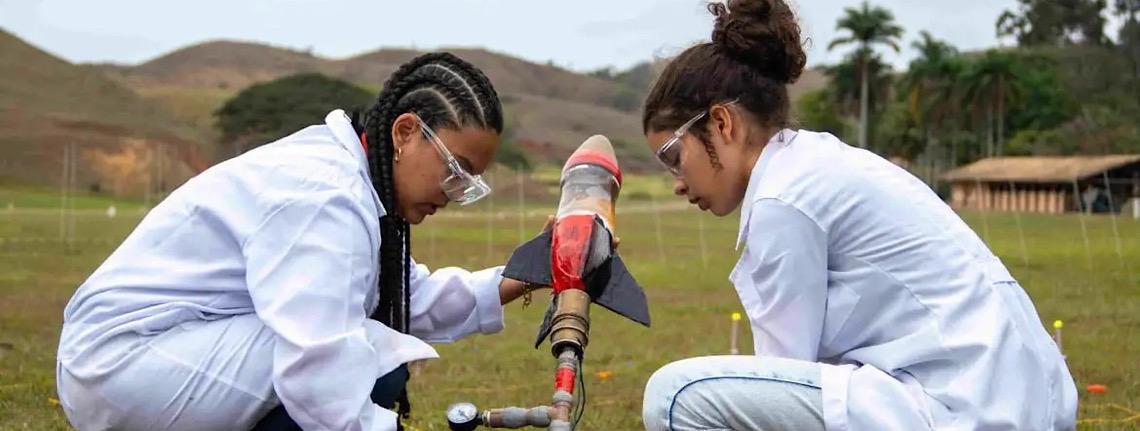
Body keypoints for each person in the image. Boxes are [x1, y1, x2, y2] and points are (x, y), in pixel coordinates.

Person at [637, 1, 1077, 430]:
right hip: (1026, 401)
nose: (677, 180)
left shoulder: (783, 198)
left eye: (673, 156)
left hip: (962, 406)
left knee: (675, 397)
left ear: (722, 123)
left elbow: (779, 374)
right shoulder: (818, 163)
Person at [56, 52, 545, 431]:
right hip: (123, 365)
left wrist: (530, 273)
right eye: (456, 172)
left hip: (165, 353)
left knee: (372, 347)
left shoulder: (354, 182)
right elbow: (317, 364)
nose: (456, 195)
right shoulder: (324, 195)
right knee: (366, 356)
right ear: (405, 132)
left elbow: (403, 299)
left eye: (470, 183)